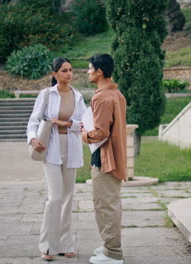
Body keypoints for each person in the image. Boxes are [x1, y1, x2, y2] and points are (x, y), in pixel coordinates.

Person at [27, 57, 86, 261]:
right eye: (64, 71)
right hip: (51, 148)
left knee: (68, 198)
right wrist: (33, 139)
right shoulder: (46, 94)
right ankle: (48, 247)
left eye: (70, 70)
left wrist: (65, 123)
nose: (69, 74)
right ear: (55, 74)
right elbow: (34, 120)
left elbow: (84, 125)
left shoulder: (77, 96)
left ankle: (65, 244)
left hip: (71, 148)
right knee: (55, 198)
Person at [81, 54, 127, 264]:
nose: (87, 72)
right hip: (113, 156)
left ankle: (113, 252)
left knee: (105, 204)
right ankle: (109, 247)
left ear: (99, 72)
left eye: (90, 69)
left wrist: (84, 134)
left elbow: (100, 133)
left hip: (105, 158)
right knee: (109, 203)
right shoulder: (117, 94)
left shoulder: (101, 97)